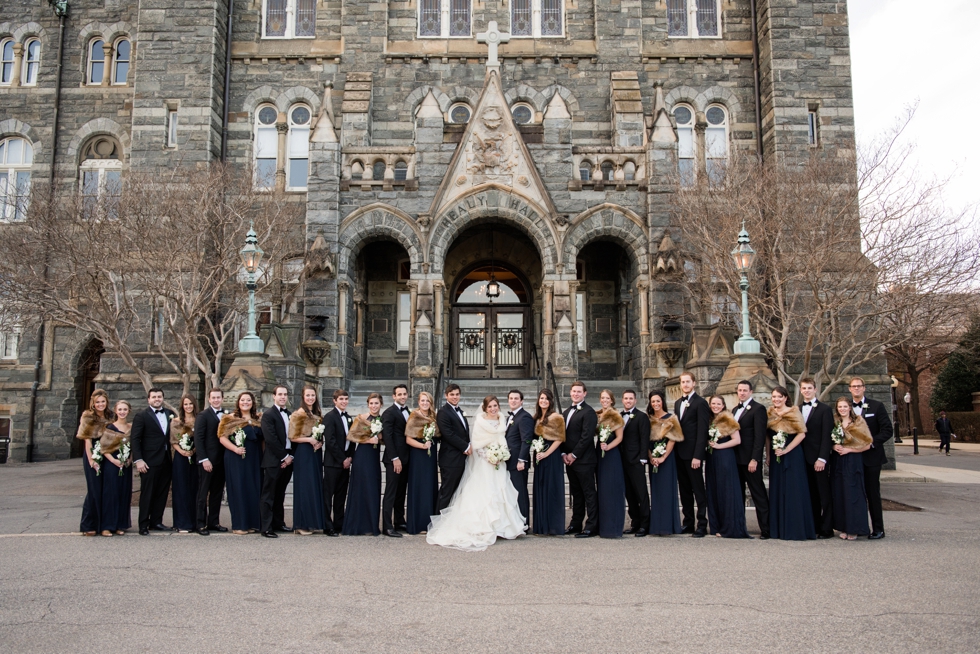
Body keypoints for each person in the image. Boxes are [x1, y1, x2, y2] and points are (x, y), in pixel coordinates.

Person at [426, 395, 525, 551]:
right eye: (490, 406)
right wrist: (490, 457)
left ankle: (502, 527)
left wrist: (501, 455)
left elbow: (502, 440)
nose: (493, 409)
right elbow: (477, 445)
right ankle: (483, 526)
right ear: (485, 408)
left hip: (499, 463)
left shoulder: (502, 420)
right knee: (484, 494)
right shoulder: (480, 422)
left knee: (501, 492)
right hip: (485, 464)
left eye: (495, 406)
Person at [767, 386, 815, 541]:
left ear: (785, 398)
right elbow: (768, 437)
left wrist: (786, 449)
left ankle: (795, 528)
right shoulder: (770, 414)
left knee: (793, 489)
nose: (776, 399)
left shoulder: (794, 412)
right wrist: (768, 455)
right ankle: (778, 529)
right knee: (778, 489)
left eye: (779, 397)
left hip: (793, 455)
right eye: (774, 397)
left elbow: (801, 434)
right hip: (776, 456)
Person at [848, 377, 893, 540]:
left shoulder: (876, 406)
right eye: (854, 387)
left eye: (859, 386)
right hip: (852, 458)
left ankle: (878, 529)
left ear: (864, 388)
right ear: (849, 389)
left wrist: (871, 443)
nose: (856, 389)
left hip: (871, 457)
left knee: (872, 493)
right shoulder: (846, 408)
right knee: (855, 493)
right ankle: (858, 526)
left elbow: (887, 430)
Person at [131, 387, 175, 535]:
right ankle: (143, 524)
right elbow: (135, 439)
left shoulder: (170, 414)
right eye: (154, 397)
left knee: (162, 493)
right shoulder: (141, 416)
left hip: (166, 460)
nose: (157, 399)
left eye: (159, 396)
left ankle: (156, 521)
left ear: (163, 398)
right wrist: (138, 460)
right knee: (147, 493)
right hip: (148, 461)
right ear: (148, 399)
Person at [705, 396, 749, 538]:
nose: (715, 406)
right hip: (712, 459)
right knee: (714, 490)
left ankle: (729, 526)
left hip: (725, 457)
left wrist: (719, 446)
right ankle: (716, 526)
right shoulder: (709, 420)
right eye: (713, 404)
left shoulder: (728, 419)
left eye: (718, 404)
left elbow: (737, 440)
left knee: (726, 490)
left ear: (723, 405)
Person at [218, 391, 263, 535]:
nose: (245, 402)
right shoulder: (230, 418)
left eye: (248, 400)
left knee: (253, 489)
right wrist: (235, 449)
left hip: (254, 459)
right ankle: (239, 525)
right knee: (238, 489)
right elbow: (222, 437)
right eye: (243, 400)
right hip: (236, 458)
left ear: (252, 402)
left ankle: (251, 523)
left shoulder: (258, 419)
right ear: (238, 402)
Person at [673, 371, 710, 537]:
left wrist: (698, 456)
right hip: (679, 454)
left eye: (688, 382)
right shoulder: (677, 403)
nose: (685, 385)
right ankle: (688, 523)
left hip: (693, 455)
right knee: (685, 490)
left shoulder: (700, 403)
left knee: (698, 490)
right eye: (683, 382)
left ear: (694, 383)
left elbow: (703, 431)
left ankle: (702, 525)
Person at [732, 380, 770, 539]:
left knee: (758, 494)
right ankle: (739, 527)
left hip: (750, 460)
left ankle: (767, 529)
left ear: (751, 392)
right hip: (735, 459)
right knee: (738, 495)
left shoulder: (758, 409)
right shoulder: (734, 409)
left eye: (745, 390)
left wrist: (755, 459)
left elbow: (760, 437)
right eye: (740, 390)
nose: (742, 393)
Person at [562, 381, 599, 538]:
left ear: (585, 394)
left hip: (584, 460)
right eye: (574, 391)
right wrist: (564, 454)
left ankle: (591, 526)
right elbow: (562, 436)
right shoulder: (566, 412)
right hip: (569, 460)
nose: (576, 394)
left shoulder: (589, 412)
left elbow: (586, 437)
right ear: (570, 393)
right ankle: (575, 524)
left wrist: (574, 454)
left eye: (579, 392)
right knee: (576, 494)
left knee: (589, 493)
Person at [343, 393, 384, 536]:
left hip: (374, 458)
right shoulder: (361, 418)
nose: (374, 406)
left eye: (376, 403)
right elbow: (351, 435)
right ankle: (357, 525)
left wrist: (379, 438)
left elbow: (384, 439)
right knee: (361, 488)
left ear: (381, 405)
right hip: (362, 456)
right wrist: (368, 440)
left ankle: (371, 525)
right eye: (371, 403)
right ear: (368, 404)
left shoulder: (382, 420)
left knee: (372, 489)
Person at [831, 397, 872, 540]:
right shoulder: (835, 422)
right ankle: (843, 527)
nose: (842, 409)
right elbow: (829, 440)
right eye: (839, 407)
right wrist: (834, 446)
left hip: (853, 460)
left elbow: (867, 444)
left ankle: (854, 528)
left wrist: (850, 450)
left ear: (850, 407)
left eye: (844, 406)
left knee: (853, 494)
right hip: (838, 460)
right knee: (840, 493)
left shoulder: (858, 422)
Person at [800, 378, 834, 539]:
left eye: (809, 388)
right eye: (804, 388)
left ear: (815, 390)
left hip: (818, 459)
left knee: (824, 494)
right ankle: (814, 526)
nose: (806, 390)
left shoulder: (824, 410)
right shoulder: (797, 409)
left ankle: (827, 528)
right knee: (811, 494)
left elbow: (827, 436)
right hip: (803, 459)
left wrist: (822, 458)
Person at [288, 386, 325, 535]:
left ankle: (311, 522)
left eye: (313, 395)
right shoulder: (298, 414)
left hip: (315, 452)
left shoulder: (316, 413)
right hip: (303, 453)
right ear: (303, 397)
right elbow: (292, 436)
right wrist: (309, 440)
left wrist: (318, 441)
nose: (310, 398)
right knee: (304, 487)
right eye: (308, 395)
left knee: (313, 487)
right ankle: (301, 524)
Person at [75, 389, 113, 536]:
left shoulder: (111, 415)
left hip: (107, 454)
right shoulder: (88, 416)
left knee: (106, 490)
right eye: (97, 402)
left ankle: (105, 525)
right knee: (94, 489)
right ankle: (88, 525)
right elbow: (87, 440)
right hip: (94, 454)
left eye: (103, 401)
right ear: (93, 403)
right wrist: (91, 459)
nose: (100, 404)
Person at [259, 385, 295, 538]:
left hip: (287, 460)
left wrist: (290, 456)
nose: (282, 397)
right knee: (269, 494)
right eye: (280, 394)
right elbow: (271, 439)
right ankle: (266, 527)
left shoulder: (290, 414)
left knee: (280, 493)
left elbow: (293, 437)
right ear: (274, 396)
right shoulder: (268, 415)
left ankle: (278, 523)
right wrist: (283, 457)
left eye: (285, 394)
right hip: (274, 460)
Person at [647, 391, 683, 536]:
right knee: (656, 491)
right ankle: (656, 526)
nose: (655, 404)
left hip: (667, 460)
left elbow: (672, 440)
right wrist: (651, 457)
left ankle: (668, 526)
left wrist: (663, 457)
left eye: (658, 401)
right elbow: (646, 441)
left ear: (662, 402)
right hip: (652, 459)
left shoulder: (671, 418)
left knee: (667, 490)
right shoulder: (648, 419)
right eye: (653, 401)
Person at [194, 388, 228, 536]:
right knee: (203, 493)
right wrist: (204, 459)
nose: (216, 400)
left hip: (222, 461)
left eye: (218, 397)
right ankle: (200, 524)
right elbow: (198, 439)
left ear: (222, 398)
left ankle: (214, 522)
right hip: (207, 461)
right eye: (213, 398)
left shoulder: (227, 415)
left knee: (217, 493)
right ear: (209, 399)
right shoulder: (203, 416)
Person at [405, 391, 439, 535]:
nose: (425, 403)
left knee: (429, 487)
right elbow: (408, 439)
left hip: (430, 457)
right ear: (418, 402)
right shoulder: (414, 416)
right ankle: (417, 523)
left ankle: (429, 523)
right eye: (423, 401)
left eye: (428, 401)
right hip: (418, 456)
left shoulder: (433, 417)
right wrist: (422, 446)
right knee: (419, 487)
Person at [532, 390, 566, 536]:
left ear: (551, 401)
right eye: (541, 398)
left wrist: (546, 453)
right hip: (539, 457)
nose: (543, 401)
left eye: (546, 398)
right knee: (540, 489)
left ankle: (553, 526)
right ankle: (541, 526)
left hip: (551, 457)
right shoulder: (537, 418)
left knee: (551, 490)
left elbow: (559, 439)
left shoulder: (556, 417)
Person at [99, 400, 133, 536]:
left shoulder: (131, 427)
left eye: (125, 409)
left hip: (126, 465)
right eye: (120, 410)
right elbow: (104, 448)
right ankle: (107, 525)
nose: (122, 412)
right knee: (111, 494)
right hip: (112, 464)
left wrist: (130, 459)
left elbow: (134, 445)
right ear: (115, 411)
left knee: (123, 493)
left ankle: (120, 524)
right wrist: (114, 460)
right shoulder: (110, 427)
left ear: (129, 411)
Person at [435, 384, 471, 512]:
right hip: (450, 459)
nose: (455, 397)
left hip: (460, 458)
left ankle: (449, 520)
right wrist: (466, 446)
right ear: (446, 396)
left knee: (457, 491)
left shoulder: (460, 411)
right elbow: (448, 434)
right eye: (452, 394)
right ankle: (438, 521)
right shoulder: (443, 412)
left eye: (457, 394)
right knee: (447, 491)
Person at [595, 390, 626, 539]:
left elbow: (620, 437)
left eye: (607, 398)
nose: (605, 400)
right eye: (602, 398)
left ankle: (613, 528)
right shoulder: (598, 414)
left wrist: (608, 447)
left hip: (611, 455)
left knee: (611, 489)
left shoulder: (615, 415)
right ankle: (603, 526)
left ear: (612, 400)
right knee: (602, 490)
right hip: (600, 455)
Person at [620, 389, 650, 537]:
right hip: (622, 461)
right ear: (622, 400)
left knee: (641, 493)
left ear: (635, 400)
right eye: (626, 398)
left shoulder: (642, 417)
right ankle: (635, 522)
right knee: (629, 495)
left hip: (636, 461)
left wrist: (643, 458)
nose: (628, 401)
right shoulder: (619, 416)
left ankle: (645, 525)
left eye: (631, 398)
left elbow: (645, 438)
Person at [381, 384, 411, 538]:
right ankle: (387, 526)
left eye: (404, 394)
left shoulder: (409, 412)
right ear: (394, 396)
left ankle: (399, 521)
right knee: (391, 493)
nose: (402, 396)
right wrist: (395, 458)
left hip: (406, 458)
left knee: (401, 493)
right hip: (394, 459)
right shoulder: (389, 413)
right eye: (399, 394)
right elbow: (388, 437)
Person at [321, 389, 351, 536]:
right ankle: (328, 525)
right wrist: (342, 459)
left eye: (346, 399)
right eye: (341, 399)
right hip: (333, 463)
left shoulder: (349, 417)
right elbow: (330, 441)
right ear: (334, 401)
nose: (344, 401)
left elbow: (352, 438)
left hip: (346, 463)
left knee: (341, 496)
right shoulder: (329, 417)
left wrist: (350, 457)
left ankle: (339, 524)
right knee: (328, 496)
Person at [169, 395, 199, 533]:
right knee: (181, 489)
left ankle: (195, 522)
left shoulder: (199, 420)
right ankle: (181, 523)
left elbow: (201, 438)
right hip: (181, 458)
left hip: (195, 457)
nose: (188, 406)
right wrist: (182, 451)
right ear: (182, 406)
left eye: (190, 404)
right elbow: (173, 441)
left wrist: (193, 450)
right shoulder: (176, 422)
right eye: (185, 404)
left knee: (194, 488)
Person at [504, 390, 534, 524]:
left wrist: (522, 460)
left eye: (516, 398)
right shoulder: (510, 417)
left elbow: (526, 440)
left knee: (520, 492)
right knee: (512, 493)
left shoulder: (525, 417)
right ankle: (515, 522)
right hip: (509, 461)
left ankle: (524, 523)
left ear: (521, 401)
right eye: (511, 398)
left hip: (518, 462)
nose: (513, 401)